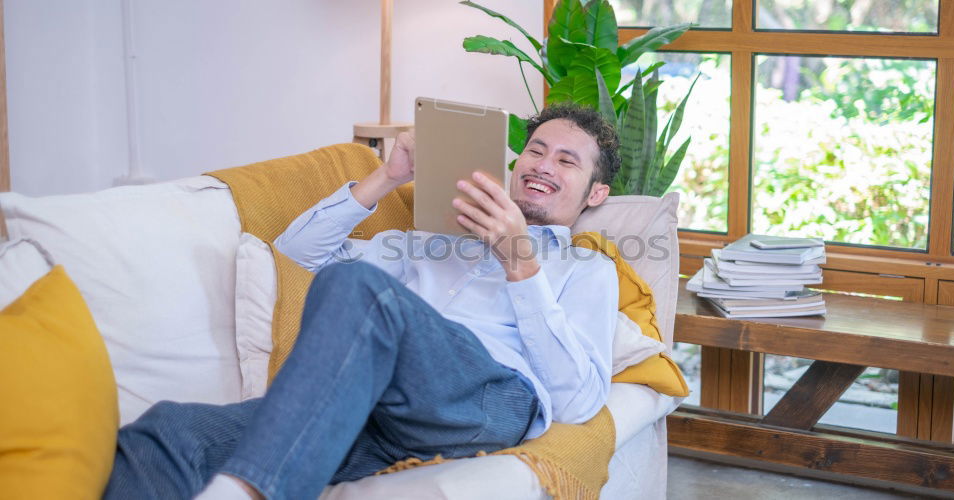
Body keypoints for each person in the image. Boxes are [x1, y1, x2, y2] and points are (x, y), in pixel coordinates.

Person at [103, 104, 622, 500]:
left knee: (360, 292)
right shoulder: (427, 240)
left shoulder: (586, 269)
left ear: (594, 194)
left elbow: (578, 401)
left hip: (485, 399)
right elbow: (295, 255)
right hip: (375, 409)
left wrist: (519, 261)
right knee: (167, 433)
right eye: (535, 150)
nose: (543, 164)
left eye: (566, 160)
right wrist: (388, 175)